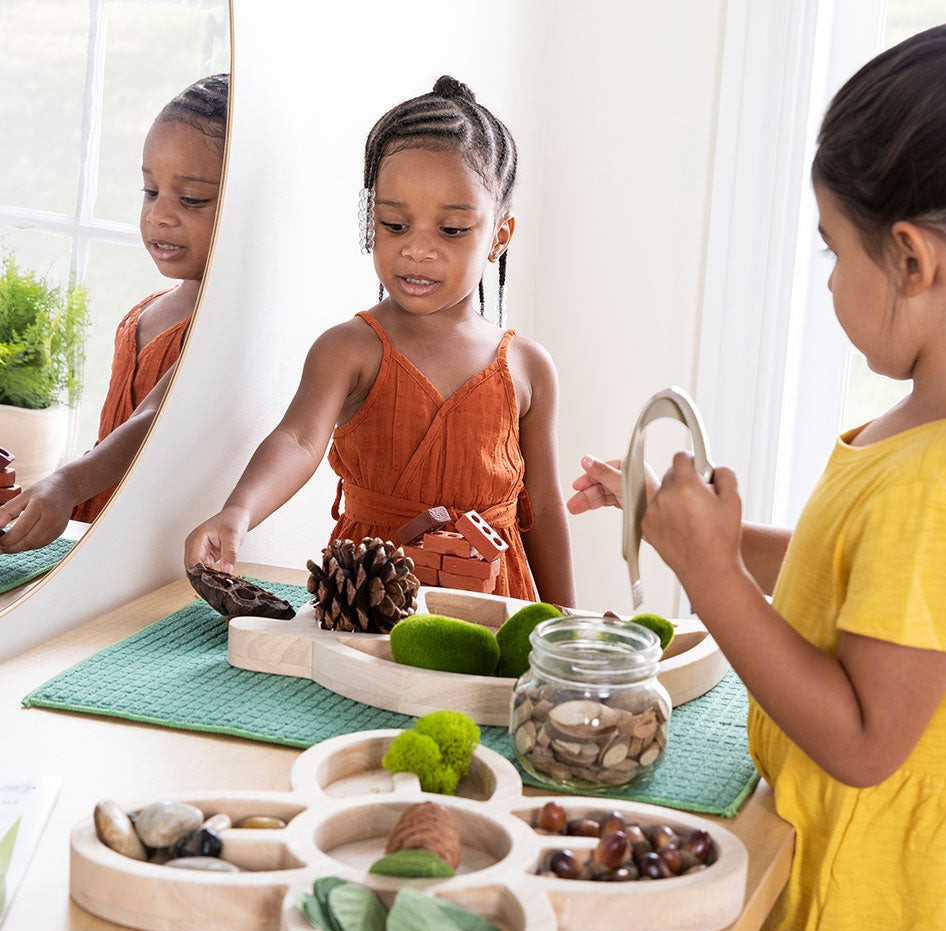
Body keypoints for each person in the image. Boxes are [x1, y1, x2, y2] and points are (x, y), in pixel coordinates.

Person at [569, 24, 946, 931]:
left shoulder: (939, 481)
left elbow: (865, 737)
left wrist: (717, 580)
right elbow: (855, 586)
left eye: (830, 247)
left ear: (909, 258)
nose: (824, 281)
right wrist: (681, 529)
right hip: (870, 858)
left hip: (880, 915)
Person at [186, 76, 575, 606]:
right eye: (395, 224)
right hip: (371, 604)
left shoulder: (529, 367)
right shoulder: (350, 348)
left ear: (499, 236)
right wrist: (238, 510)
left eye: (452, 230)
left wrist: (565, 624)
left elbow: (545, 510)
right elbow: (298, 441)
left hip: (495, 603)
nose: (417, 250)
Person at [0, 73, 228, 553]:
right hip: (95, 522)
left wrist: (65, 483)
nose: (159, 215)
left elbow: (154, 417)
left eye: (191, 199)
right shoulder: (147, 312)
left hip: (150, 546)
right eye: (150, 191)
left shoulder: (222, 325)